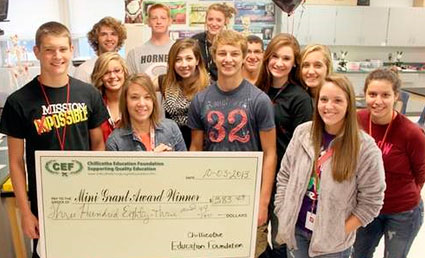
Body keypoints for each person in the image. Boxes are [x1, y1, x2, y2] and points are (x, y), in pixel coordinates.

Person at [0, 21, 108, 258]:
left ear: (71, 49)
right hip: (44, 203)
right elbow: (16, 162)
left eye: (62, 49)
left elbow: (98, 144)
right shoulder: (19, 101)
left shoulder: (88, 93)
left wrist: (97, 188)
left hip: (86, 197)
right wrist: (26, 212)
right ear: (37, 51)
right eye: (49, 49)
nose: (57, 56)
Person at [274, 74, 386, 258]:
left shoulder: (365, 147)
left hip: (332, 245)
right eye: (324, 99)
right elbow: (285, 175)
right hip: (296, 232)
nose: (328, 106)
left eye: (337, 100)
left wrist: (340, 231)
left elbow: (372, 201)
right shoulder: (302, 133)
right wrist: (283, 211)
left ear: (349, 104)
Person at [188, 29, 277, 258]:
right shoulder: (201, 100)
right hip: (212, 192)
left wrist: (263, 202)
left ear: (244, 57)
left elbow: (270, 153)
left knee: (250, 251)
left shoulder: (259, 100)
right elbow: (196, 148)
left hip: (248, 193)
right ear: (214, 56)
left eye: (234, 54)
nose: (228, 59)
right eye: (223, 53)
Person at [353, 68, 425, 258]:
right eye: (372, 94)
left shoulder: (411, 133)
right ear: (364, 95)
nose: (378, 101)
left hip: (402, 212)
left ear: (396, 97)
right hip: (366, 208)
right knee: (358, 254)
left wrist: (402, 196)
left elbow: (421, 172)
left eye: (385, 95)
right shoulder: (356, 121)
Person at [255, 33, 313, 258]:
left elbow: (304, 148)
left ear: (294, 63)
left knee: (281, 238)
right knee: (256, 235)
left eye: (286, 58)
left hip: (284, 180)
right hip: (257, 175)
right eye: (275, 56)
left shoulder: (299, 98)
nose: (279, 63)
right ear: (267, 58)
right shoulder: (256, 90)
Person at [106, 74, 186, 152]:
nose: (141, 103)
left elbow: (186, 165)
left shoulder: (171, 128)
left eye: (147, 97)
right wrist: (154, 159)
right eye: (134, 97)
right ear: (125, 101)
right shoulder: (114, 141)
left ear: (153, 100)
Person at [157, 38, 209, 147]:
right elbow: (139, 87)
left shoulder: (209, 87)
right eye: (178, 59)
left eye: (189, 58)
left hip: (201, 149)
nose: (184, 64)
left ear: (197, 60)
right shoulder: (165, 82)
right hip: (172, 147)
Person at [74, 16, 127, 83]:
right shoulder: (84, 70)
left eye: (113, 34)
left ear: (119, 38)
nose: (109, 38)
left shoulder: (125, 66)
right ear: (96, 38)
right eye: (104, 34)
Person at [126, 3, 174, 78]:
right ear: (148, 22)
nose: (159, 22)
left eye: (163, 18)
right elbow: (130, 85)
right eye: (154, 18)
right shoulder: (135, 54)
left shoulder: (179, 50)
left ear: (170, 21)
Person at [192, 3, 236, 81]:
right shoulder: (195, 41)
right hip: (199, 88)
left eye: (219, 20)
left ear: (225, 21)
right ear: (206, 20)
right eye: (210, 19)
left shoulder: (232, 43)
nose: (214, 24)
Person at [91, 52, 129, 142]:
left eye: (117, 71)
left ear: (125, 72)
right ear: (100, 76)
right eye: (106, 72)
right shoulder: (94, 106)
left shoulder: (134, 103)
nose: (112, 76)